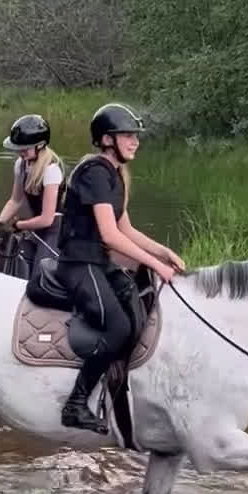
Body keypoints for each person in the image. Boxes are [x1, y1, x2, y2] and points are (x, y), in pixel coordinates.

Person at [57, 103, 185, 433]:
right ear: (106, 140)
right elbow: (109, 235)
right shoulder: (95, 173)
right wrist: (154, 264)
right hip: (79, 264)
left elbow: (126, 228)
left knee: (138, 304)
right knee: (118, 328)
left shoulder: (115, 175)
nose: (135, 141)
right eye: (127, 135)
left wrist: (163, 251)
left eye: (135, 136)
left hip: (98, 263)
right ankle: (75, 403)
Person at [0, 113, 64, 272]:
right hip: (35, 226)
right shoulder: (21, 164)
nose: (20, 152)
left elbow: (47, 219)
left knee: (40, 274)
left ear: (40, 145)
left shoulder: (51, 170)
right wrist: (0, 222)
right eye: (18, 149)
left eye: (24, 149)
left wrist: (20, 225)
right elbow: (15, 200)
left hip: (55, 230)